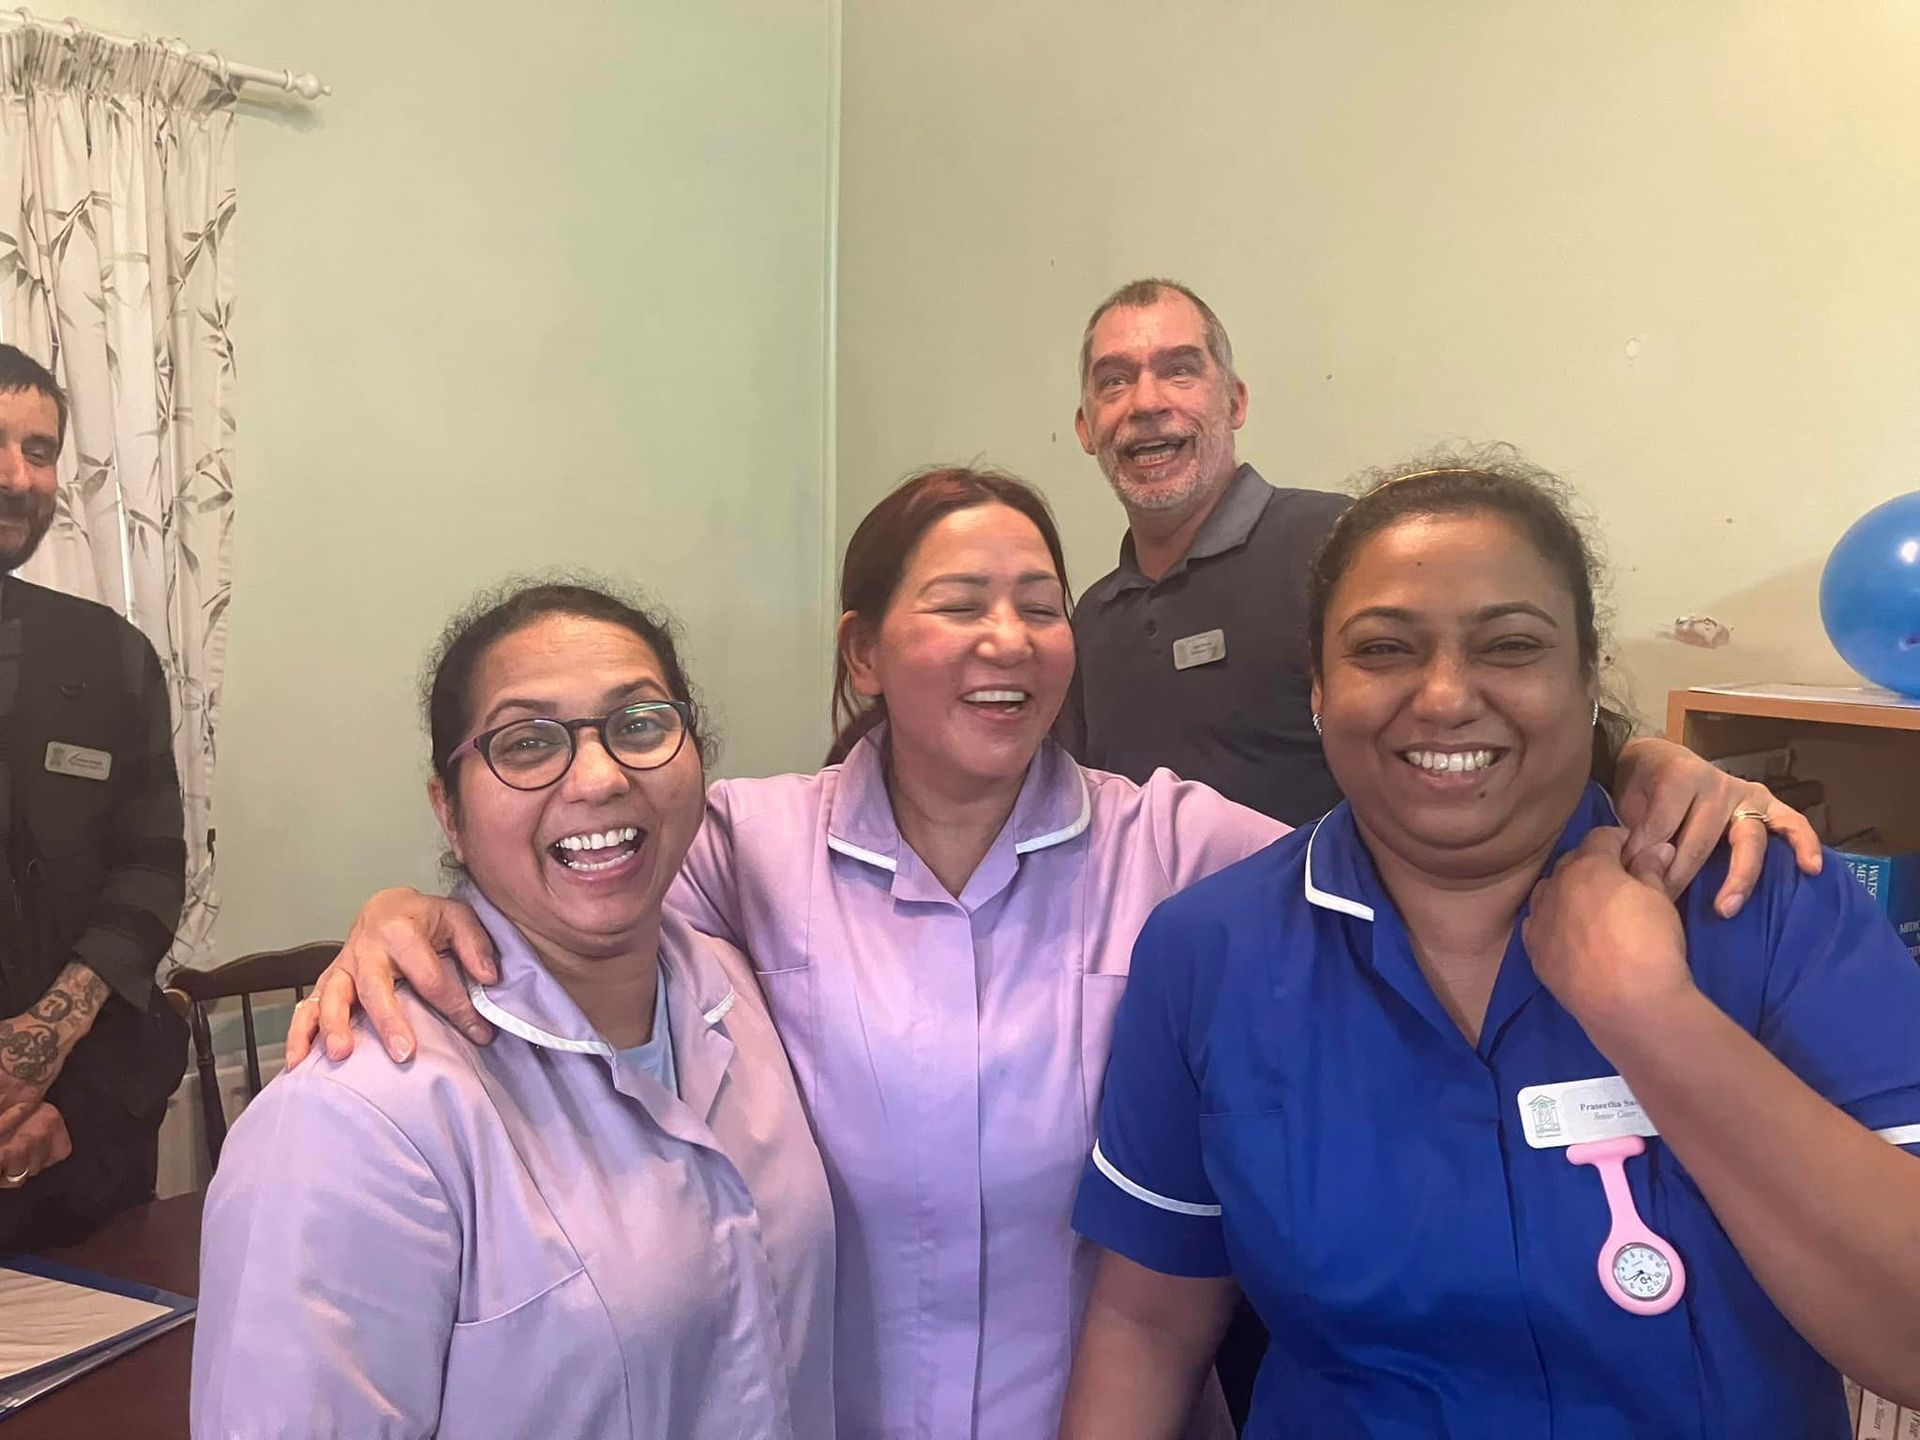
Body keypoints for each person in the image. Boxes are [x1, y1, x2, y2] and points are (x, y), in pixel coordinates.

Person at [287, 469, 1811, 1440]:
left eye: (1038, 604)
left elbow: (1413, 818)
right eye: (959, 606)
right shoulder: (744, 847)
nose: (1009, 637)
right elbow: (572, 861)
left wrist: (1644, 768)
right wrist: (414, 914)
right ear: (865, 650)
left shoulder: (1176, 849)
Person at [1061, 451, 1920, 1439]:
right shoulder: (1210, 953)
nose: (1443, 697)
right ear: (1315, 690)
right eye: (1383, 649)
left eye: (1510, 646)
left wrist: (1653, 1015)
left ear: (1590, 677)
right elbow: (1150, 1322)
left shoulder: (1757, 901)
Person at [192, 583, 835, 1439]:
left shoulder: (735, 989)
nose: (601, 777)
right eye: (526, 743)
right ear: (448, 813)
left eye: (641, 725)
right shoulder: (352, 1122)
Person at [0, 344, 187, 1249]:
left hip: (91, 1132)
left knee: (123, 1388)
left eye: (39, 452)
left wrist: (47, 1059)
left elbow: (151, 870)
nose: (16, 477)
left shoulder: (113, 658)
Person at [1067, 277, 1349, 828]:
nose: (1146, 402)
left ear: (1235, 400)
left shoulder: (1340, 547)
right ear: (1085, 429)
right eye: (1115, 381)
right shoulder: (1091, 621)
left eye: (1179, 370)